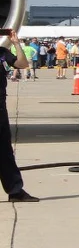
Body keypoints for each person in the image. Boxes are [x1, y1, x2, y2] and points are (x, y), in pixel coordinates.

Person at [0, 32, 37, 202]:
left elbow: (22, 64)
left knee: (4, 151)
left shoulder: (1, 53)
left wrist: (15, 43)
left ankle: (15, 191)